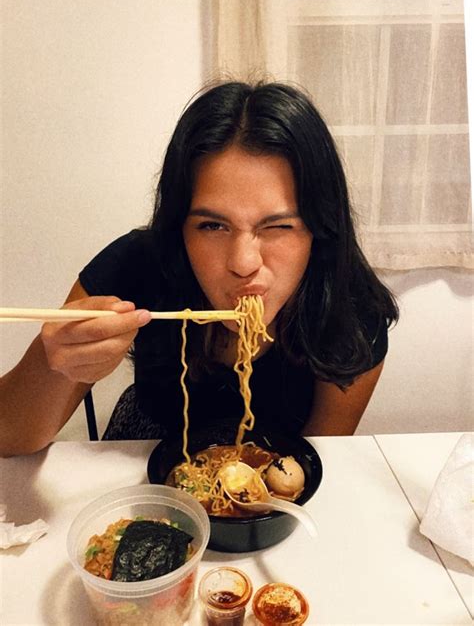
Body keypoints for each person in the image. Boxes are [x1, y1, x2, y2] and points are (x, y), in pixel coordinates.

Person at [0, 81, 398, 457]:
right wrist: (54, 364)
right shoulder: (138, 265)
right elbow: (9, 439)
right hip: (144, 448)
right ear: (180, 226)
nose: (244, 263)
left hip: (271, 471)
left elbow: (314, 460)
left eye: (278, 226)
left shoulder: (352, 312)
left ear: (319, 228)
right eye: (212, 226)